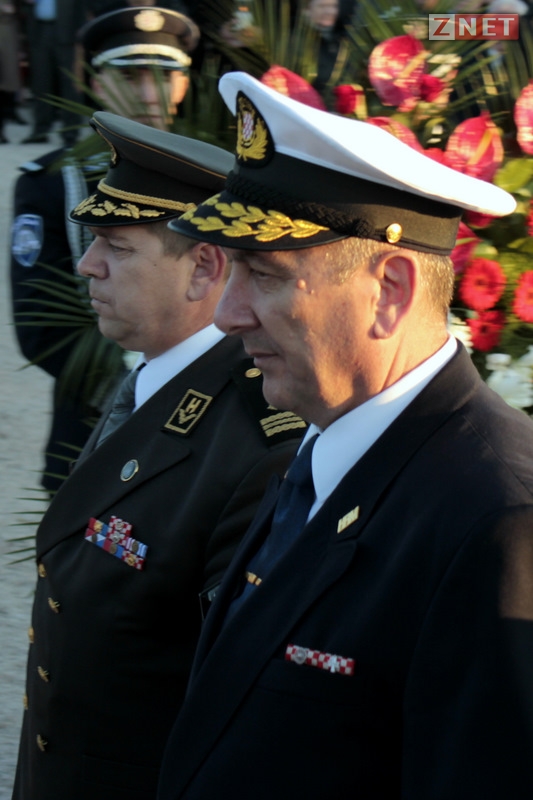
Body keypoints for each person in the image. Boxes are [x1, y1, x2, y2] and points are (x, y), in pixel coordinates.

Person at [157, 72, 533, 799]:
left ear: (389, 291)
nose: (227, 313)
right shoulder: (325, 450)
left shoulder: (499, 522)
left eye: (265, 274)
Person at [12, 110, 307, 800]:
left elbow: (234, 698)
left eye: (116, 246)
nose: (87, 264)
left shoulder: (259, 440)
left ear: (204, 267)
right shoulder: (154, 380)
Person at [10, 6, 200, 494]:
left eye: (165, 76)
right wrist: (145, 383)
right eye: (131, 76)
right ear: (97, 83)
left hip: (211, 435)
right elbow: (42, 327)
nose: (149, 93)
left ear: (184, 83)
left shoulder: (225, 174)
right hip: (94, 429)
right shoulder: (53, 182)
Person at [21, 0, 86, 145]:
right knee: (40, 83)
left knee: (69, 84)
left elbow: (81, 6)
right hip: (39, 31)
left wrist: (80, 31)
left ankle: (70, 133)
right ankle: (40, 131)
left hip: (66, 32)